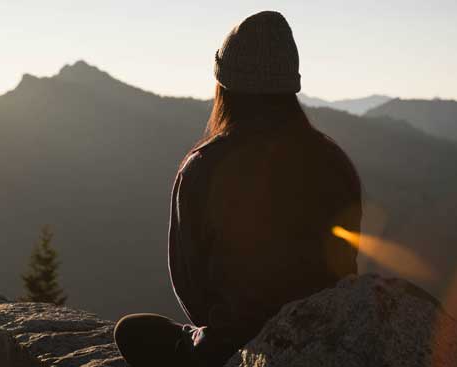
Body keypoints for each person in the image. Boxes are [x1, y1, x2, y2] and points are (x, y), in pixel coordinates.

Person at [113, 10, 362, 367]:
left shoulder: (203, 168)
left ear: (224, 87)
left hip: (235, 348)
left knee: (133, 331)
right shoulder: (334, 163)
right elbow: (343, 267)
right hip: (328, 341)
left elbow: (190, 283)